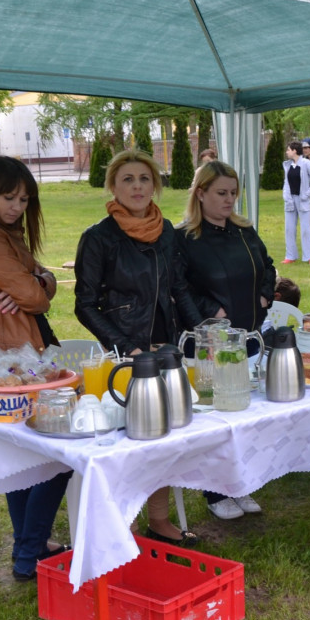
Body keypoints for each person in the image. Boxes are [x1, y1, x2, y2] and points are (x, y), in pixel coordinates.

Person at [74, 149, 202, 546]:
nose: (137, 187)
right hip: (125, 354)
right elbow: (85, 304)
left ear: (155, 186)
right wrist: (127, 347)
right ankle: (121, 526)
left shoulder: (167, 232)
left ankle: (159, 520)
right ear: (113, 186)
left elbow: (178, 286)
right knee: (127, 445)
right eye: (127, 179)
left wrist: (202, 330)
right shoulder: (98, 238)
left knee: (163, 437)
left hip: (166, 348)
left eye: (144, 179)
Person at [0, 156, 70, 581]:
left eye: (24, 199)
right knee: (59, 450)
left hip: (22, 349)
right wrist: (34, 288)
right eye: (9, 197)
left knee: (29, 452)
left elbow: (42, 280)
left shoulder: (3, 231)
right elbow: (36, 294)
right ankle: (28, 551)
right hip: (9, 356)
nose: (17, 206)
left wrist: (38, 283)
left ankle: (32, 545)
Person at [177, 160, 276, 520]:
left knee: (246, 415)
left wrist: (264, 298)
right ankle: (214, 490)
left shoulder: (244, 231)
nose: (230, 200)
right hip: (211, 341)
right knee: (217, 420)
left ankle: (242, 484)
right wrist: (209, 315)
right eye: (222, 193)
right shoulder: (185, 238)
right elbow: (180, 287)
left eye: (234, 193)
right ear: (200, 193)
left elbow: (268, 266)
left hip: (249, 335)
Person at [282, 140, 310, 265]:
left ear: (294, 150)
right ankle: (291, 256)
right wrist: (286, 196)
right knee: (289, 229)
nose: (287, 152)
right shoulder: (287, 165)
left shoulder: (306, 163)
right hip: (290, 200)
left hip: (303, 200)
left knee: (305, 229)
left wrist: (307, 194)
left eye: (288, 150)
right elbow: (286, 183)